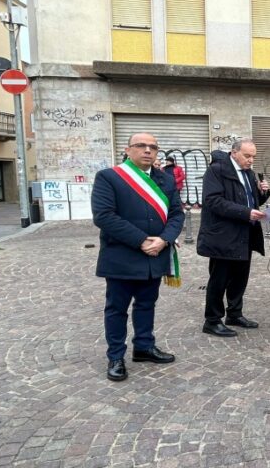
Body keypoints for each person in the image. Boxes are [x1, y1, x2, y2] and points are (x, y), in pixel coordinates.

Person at [91, 132, 185, 382]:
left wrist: (164, 239)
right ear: (128, 149)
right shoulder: (109, 177)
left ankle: (143, 346)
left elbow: (177, 214)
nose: (147, 150)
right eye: (141, 146)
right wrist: (142, 240)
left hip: (155, 253)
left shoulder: (165, 180)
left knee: (146, 304)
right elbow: (104, 216)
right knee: (116, 309)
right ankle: (116, 356)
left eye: (153, 147)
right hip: (122, 255)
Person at [197, 138, 270, 337]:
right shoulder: (216, 171)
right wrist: (246, 212)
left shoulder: (249, 173)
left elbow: (252, 200)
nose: (250, 160)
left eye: (253, 157)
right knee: (219, 279)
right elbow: (213, 201)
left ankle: (234, 314)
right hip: (223, 235)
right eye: (247, 156)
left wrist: (264, 193)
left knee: (240, 277)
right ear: (234, 152)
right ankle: (212, 320)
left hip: (245, 234)